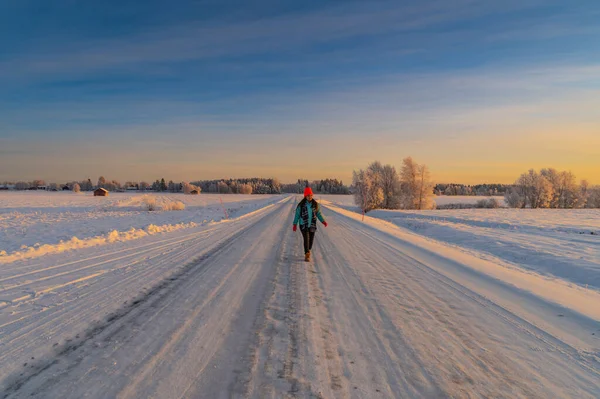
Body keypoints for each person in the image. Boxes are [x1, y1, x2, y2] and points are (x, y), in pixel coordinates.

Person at [292, 187, 327, 261]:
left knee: (311, 241)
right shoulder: (301, 205)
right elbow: (297, 215)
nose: (310, 197)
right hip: (303, 225)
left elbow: (319, 214)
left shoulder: (315, 204)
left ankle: (308, 249)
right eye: (308, 195)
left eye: (311, 195)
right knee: (306, 239)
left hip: (312, 225)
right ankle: (307, 254)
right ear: (305, 196)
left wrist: (323, 221)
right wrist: (295, 224)